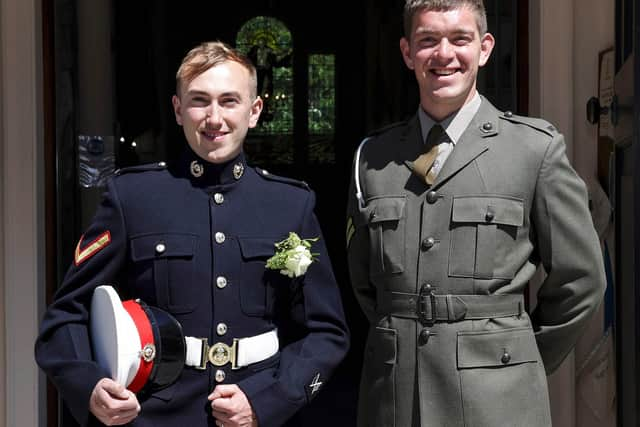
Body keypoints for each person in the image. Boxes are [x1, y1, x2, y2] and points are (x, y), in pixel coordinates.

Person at [35, 40, 349, 427]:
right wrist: (91, 387)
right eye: (200, 101)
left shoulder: (290, 205)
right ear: (178, 109)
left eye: (229, 101)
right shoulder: (132, 198)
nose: (214, 117)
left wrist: (268, 402)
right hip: (153, 415)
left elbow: (327, 332)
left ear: (254, 111)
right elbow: (64, 317)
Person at [346, 1, 606, 426]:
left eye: (459, 39)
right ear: (408, 53)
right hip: (394, 400)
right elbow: (365, 282)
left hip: (499, 401)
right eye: (428, 40)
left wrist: (515, 357)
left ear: (484, 48)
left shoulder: (534, 150)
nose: (444, 54)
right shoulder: (373, 159)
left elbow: (581, 279)